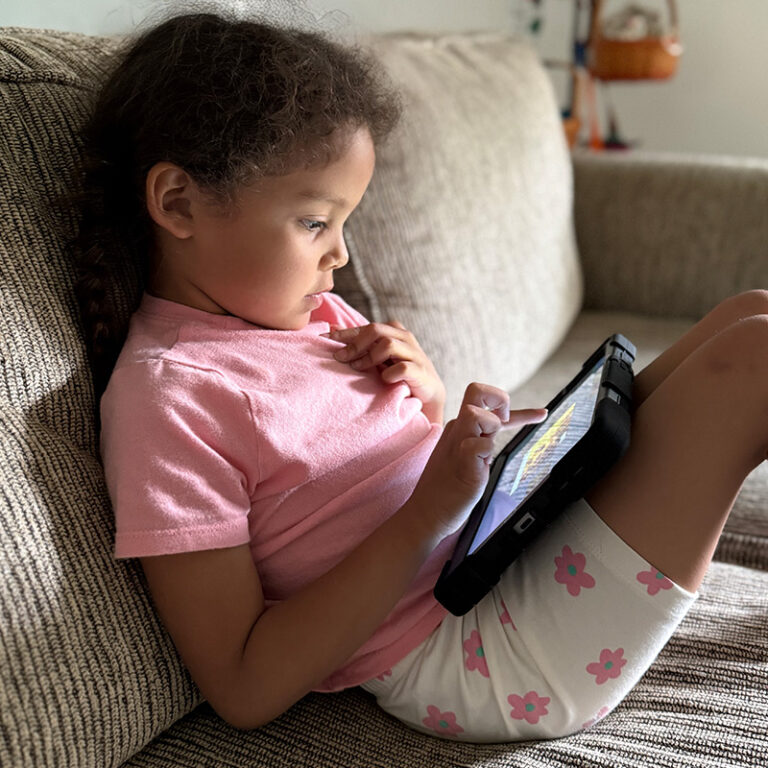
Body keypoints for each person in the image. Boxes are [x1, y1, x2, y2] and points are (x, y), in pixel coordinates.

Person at [74, 10, 768, 743]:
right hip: (476, 652)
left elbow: (353, 481)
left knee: (748, 314)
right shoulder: (169, 401)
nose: (340, 255)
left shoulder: (312, 315)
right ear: (178, 203)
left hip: (497, 550)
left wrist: (429, 405)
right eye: (314, 222)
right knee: (752, 363)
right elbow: (244, 686)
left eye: (345, 222)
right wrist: (426, 512)